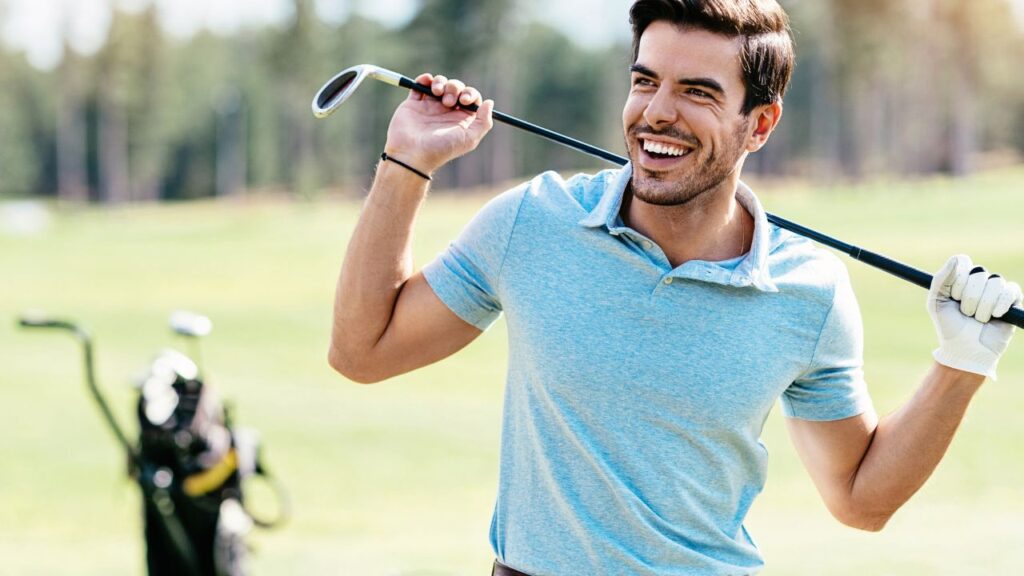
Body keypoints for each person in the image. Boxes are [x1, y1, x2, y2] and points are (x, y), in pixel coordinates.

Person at [327, 1, 1023, 574]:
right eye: (645, 81)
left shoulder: (808, 291)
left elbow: (860, 499)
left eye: (697, 91)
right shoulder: (533, 221)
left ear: (760, 124)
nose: (656, 112)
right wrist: (407, 160)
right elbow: (364, 351)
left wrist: (960, 365)